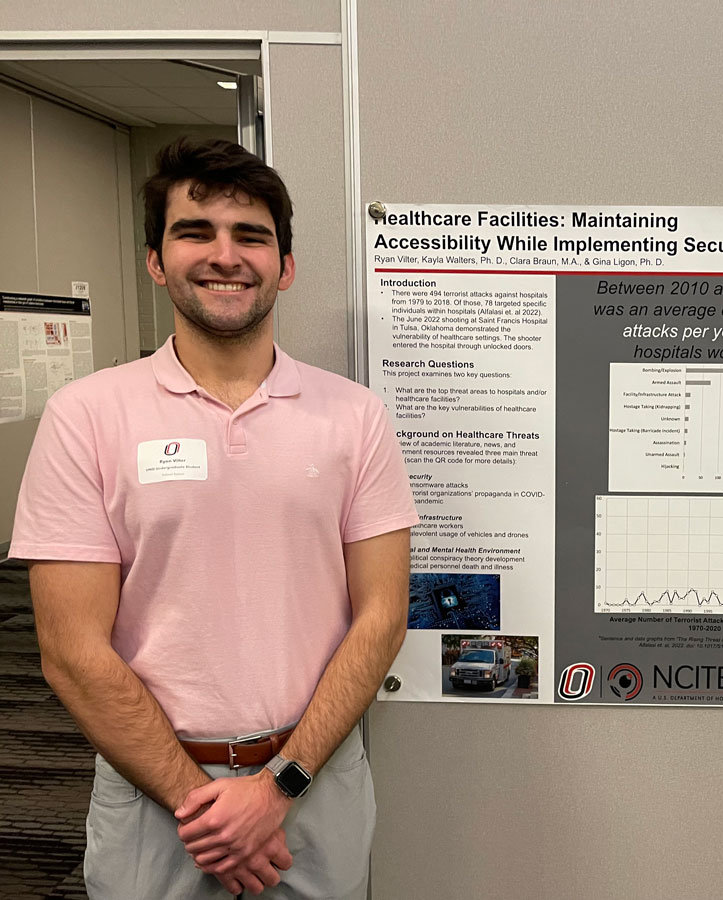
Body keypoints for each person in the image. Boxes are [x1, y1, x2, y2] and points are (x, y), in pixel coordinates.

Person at [9, 137, 418, 899]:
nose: (224, 254)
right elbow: (71, 651)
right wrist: (196, 803)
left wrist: (276, 788)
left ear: (284, 267)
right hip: (152, 789)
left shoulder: (355, 418)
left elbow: (383, 617)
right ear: (156, 260)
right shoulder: (86, 417)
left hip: (314, 780)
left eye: (251, 236)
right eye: (195, 231)